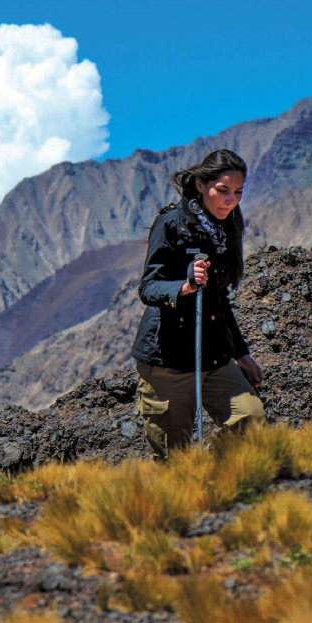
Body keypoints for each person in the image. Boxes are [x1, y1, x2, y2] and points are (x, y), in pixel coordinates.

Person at [131, 149, 266, 460]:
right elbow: (148, 287)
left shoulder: (227, 227)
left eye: (238, 192)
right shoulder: (171, 224)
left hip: (213, 352)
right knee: (174, 460)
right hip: (167, 357)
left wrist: (242, 353)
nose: (231, 200)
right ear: (202, 184)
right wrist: (186, 286)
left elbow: (219, 299)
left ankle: (215, 475)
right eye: (223, 191)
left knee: (250, 421)